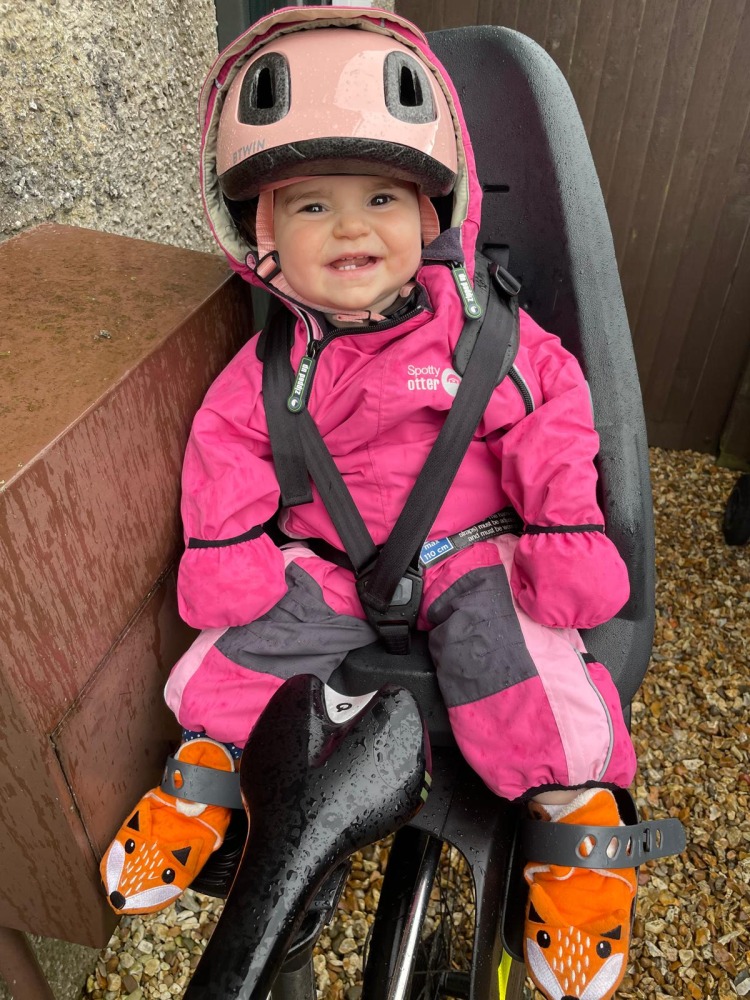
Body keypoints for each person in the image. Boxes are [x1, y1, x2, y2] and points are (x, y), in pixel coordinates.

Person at [100, 7, 640, 998]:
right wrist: (229, 554)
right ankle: (209, 776)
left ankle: (574, 827)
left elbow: (553, 420)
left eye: (383, 196)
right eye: (309, 206)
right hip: (336, 566)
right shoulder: (273, 372)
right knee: (240, 651)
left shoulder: (482, 340)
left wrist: (565, 532)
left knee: (521, 669)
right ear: (259, 239)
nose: (350, 226)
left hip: (477, 550)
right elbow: (226, 452)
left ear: (438, 212)